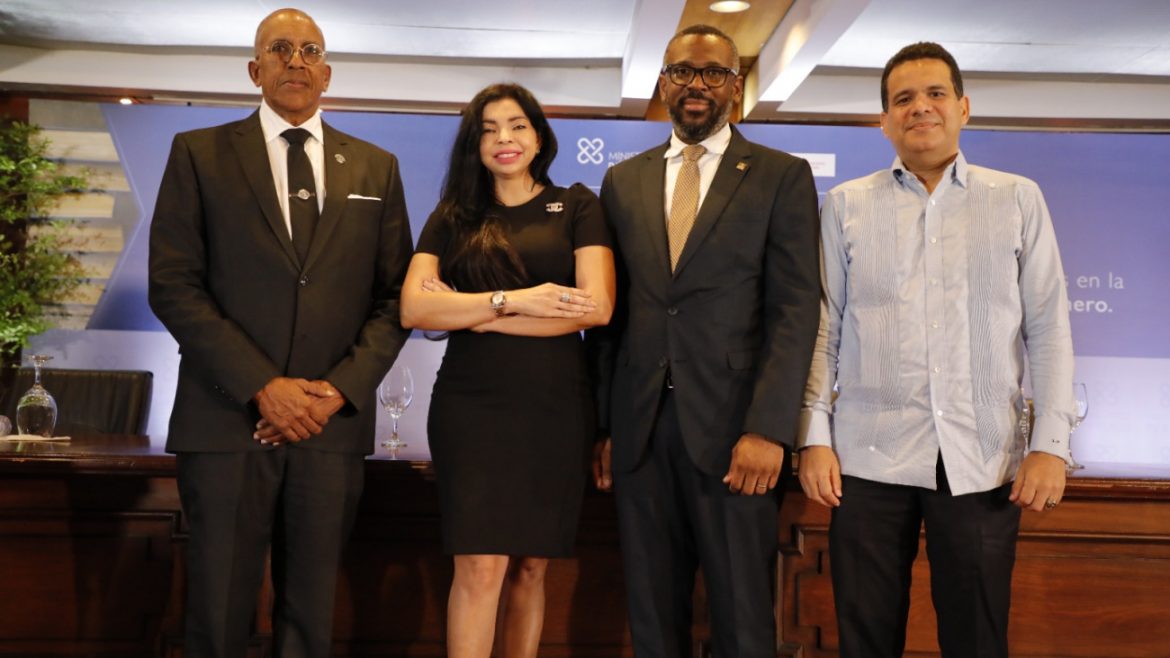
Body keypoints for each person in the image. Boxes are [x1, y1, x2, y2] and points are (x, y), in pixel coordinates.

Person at [797, 41, 1076, 658]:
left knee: (976, 640)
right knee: (865, 642)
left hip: (982, 459)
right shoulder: (844, 205)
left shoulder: (1017, 198)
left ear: (963, 108)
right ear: (884, 120)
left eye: (935, 94)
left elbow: (1049, 328)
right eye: (903, 99)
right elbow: (823, 328)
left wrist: (1050, 446)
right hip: (867, 460)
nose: (920, 107)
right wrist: (813, 436)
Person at [148, 8, 412, 657]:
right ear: (254, 69)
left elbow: (394, 299)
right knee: (217, 615)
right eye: (280, 49)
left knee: (310, 618)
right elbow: (174, 284)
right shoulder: (199, 153)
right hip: (225, 421)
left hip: (329, 428)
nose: (296, 61)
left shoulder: (376, 167)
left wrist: (335, 392)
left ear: (327, 73)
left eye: (309, 50)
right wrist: (263, 386)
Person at [587, 24, 821, 658]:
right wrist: (605, 426)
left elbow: (795, 310)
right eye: (682, 72)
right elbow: (611, 317)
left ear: (735, 87)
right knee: (652, 620)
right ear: (663, 83)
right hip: (640, 433)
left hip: (735, 433)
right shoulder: (623, 181)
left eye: (713, 73)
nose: (697, 85)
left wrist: (769, 429)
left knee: (743, 621)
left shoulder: (780, 176)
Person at [399, 83, 615, 658]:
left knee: (530, 567)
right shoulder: (453, 216)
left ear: (538, 137)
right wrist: (516, 301)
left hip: (555, 406)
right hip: (472, 407)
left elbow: (595, 308)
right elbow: (415, 309)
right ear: (475, 144)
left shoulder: (577, 205)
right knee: (479, 564)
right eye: (489, 129)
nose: (504, 139)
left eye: (517, 125)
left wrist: (473, 315)